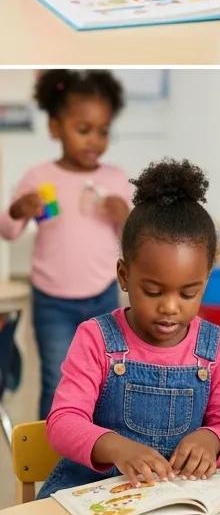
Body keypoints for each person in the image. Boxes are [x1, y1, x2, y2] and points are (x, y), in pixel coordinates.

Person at [40, 159, 220, 496]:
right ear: (124, 276)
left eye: (189, 292)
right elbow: (62, 422)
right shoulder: (96, 339)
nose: (169, 306)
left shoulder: (217, 347)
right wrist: (117, 448)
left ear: (206, 281)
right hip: (92, 492)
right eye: (153, 291)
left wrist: (211, 439)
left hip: (172, 497)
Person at [0, 70, 130, 417]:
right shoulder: (39, 177)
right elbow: (9, 231)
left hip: (102, 297)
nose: (94, 141)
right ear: (56, 127)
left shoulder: (114, 179)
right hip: (52, 302)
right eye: (83, 130)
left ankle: (96, 451)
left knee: (104, 380)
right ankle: (52, 459)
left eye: (103, 131)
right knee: (57, 381)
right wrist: (18, 209)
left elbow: (134, 243)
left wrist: (125, 215)